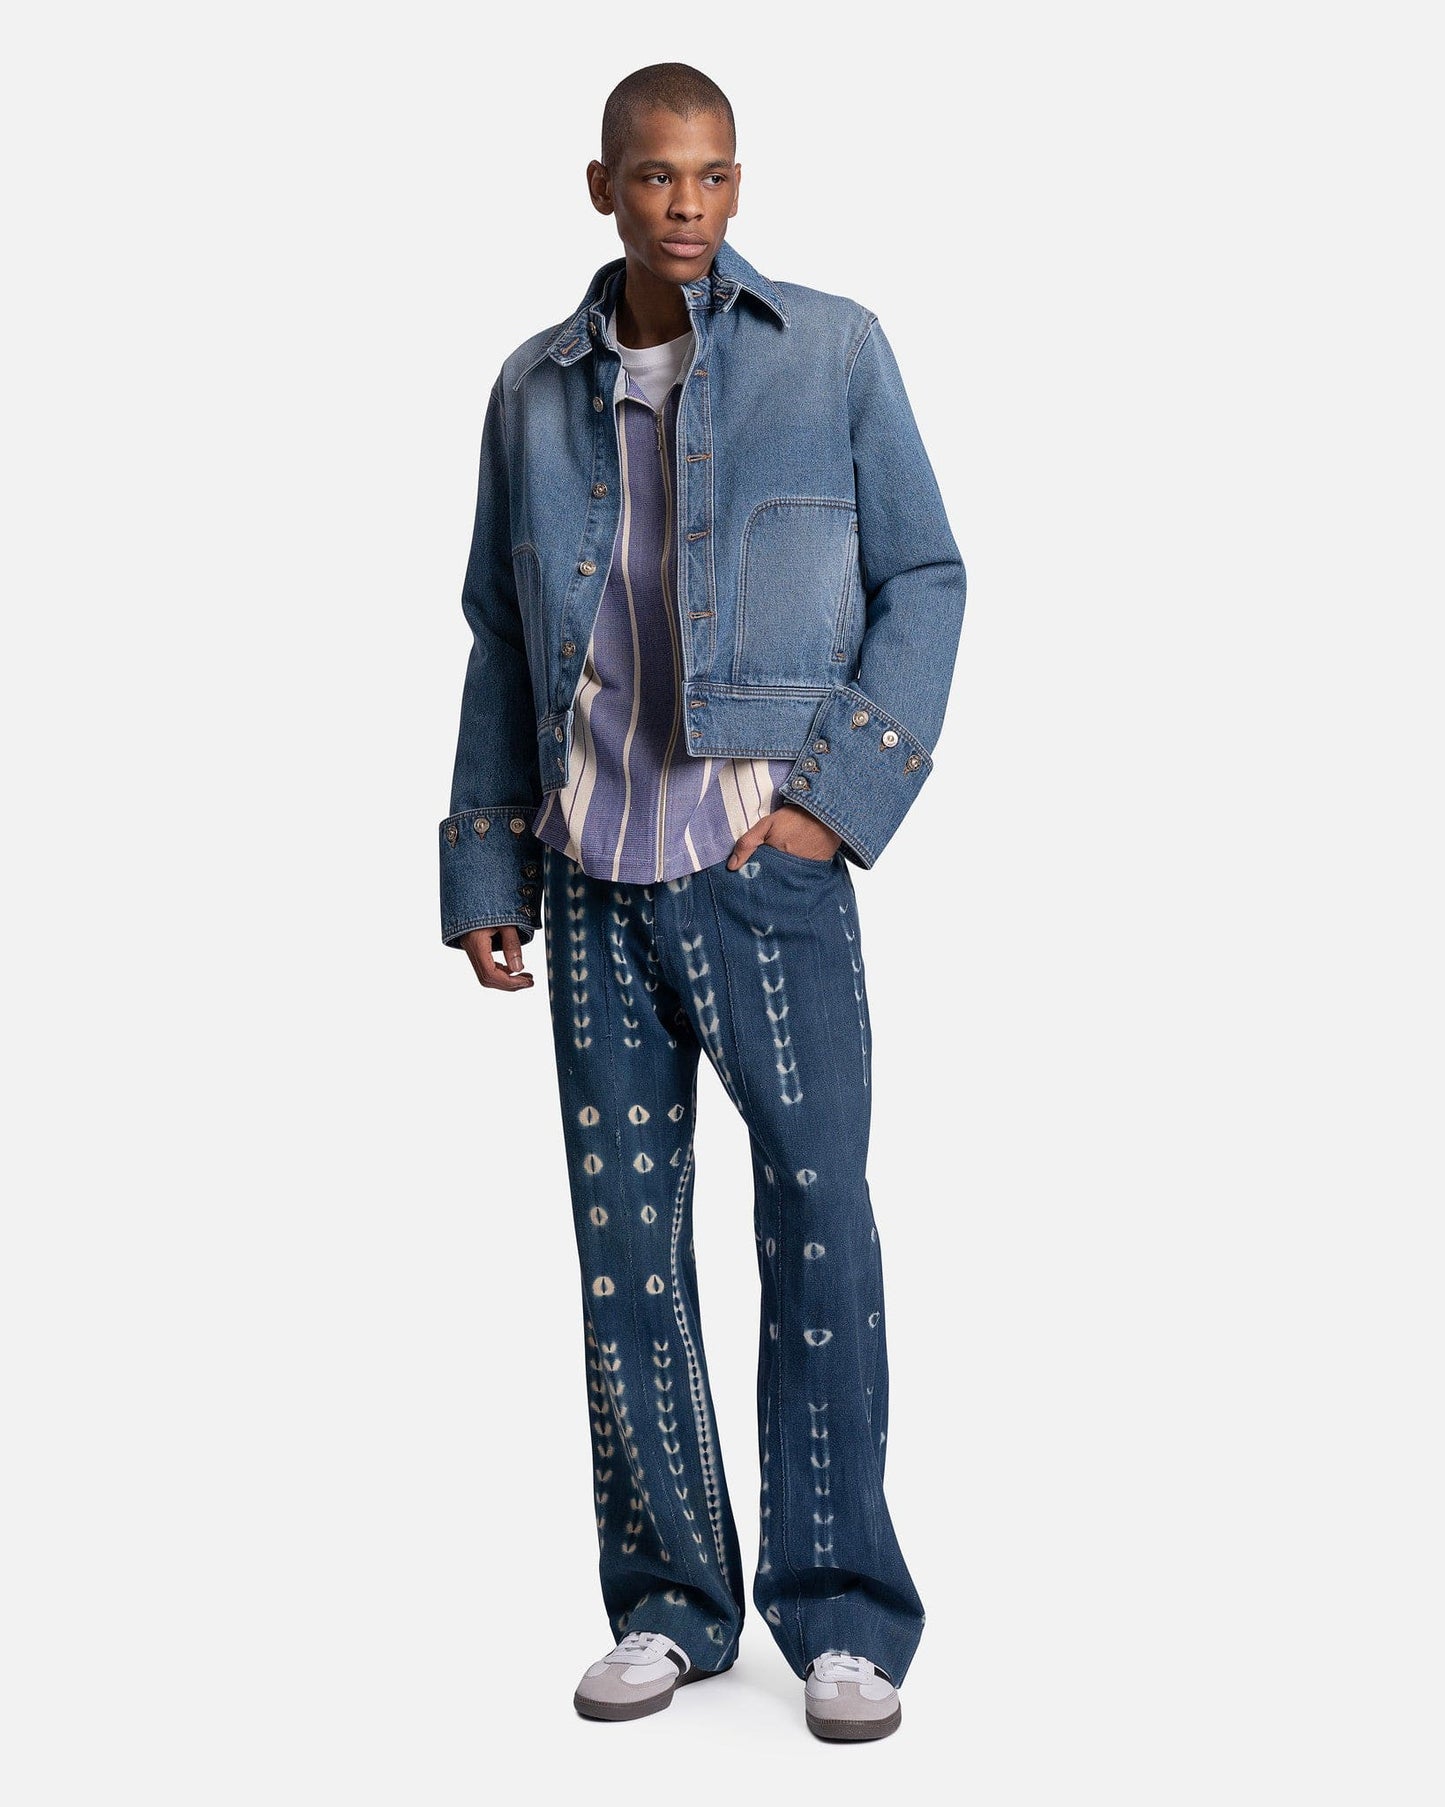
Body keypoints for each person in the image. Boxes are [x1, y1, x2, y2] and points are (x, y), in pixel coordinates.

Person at [438, 62, 966, 1742]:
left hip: (762, 875)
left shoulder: (831, 352)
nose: (688, 203)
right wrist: (486, 857)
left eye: (715, 174)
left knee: (818, 1223)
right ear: (603, 186)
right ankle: (668, 1604)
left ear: (739, 184)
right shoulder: (532, 391)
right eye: (658, 175)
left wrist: (831, 809)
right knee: (624, 1257)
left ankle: (843, 1614)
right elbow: (501, 633)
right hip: (591, 875)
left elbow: (925, 577)